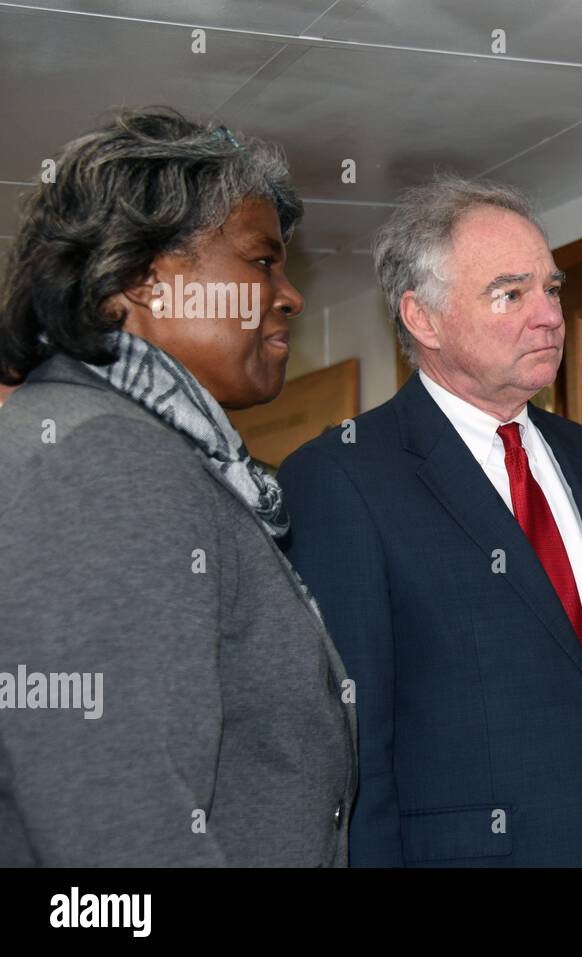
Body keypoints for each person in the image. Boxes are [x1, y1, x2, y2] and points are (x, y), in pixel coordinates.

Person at [277, 171, 582, 867]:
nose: (548, 316)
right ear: (424, 318)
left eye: (552, 288)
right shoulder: (343, 480)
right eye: (511, 293)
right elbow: (353, 760)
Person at [0, 108, 356, 866]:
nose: (289, 295)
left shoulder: (120, 441)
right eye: (262, 261)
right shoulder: (105, 457)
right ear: (143, 280)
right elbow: (116, 836)